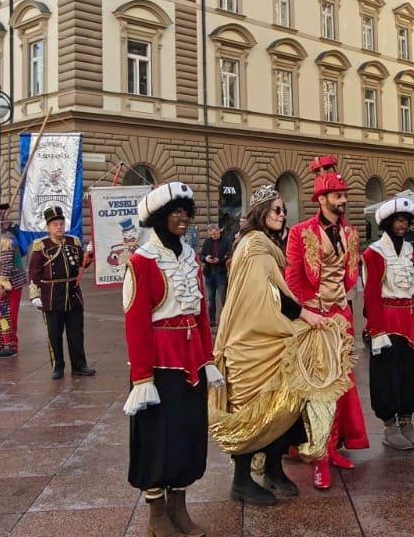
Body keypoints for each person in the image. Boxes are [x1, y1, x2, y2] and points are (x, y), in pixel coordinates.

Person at [211, 185, 348, 506]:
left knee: (281, 408)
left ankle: (273, 469)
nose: (282, 214)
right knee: (251, 410)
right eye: (275, 210)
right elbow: (264, 294)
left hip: (270, 339)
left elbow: (276, 291)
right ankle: (241, 481)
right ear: (260, 213)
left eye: (284, 210)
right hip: (251, 343)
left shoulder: (268, 243)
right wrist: (304, 315)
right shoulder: (255, 244)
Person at [122, 182, 218, 537]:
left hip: (191, 360)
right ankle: (156, 514)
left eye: (186, 212)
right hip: (159, 364)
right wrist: (142, 377)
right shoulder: (142, 262)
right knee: (156, 438)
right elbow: (135, 322)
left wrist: (208, 357)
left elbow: (201, 314)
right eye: (175, 212)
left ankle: (179, 506)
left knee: (186, 434)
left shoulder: (191, 258)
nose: (183, 218)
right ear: (160, 218)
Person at [283, 157, 369, 490]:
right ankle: (318, 457)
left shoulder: (351, 233)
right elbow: (293, 277)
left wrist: (342, 308)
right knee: (319, 388)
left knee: (342, 385)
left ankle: (332, 448)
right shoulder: (300, 233)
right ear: (321, 199)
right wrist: (308, 314)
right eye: (336, 196)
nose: (343, 200)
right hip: (314, 318)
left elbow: (351, 274)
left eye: (344, 195)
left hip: (341, 316)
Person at [363, 198, 414, 452]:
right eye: (398, 221)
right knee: (386, 376)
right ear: (388, 223)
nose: (402, 225)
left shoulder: (411, 251)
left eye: (405, 221)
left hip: (409, 320)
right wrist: (377, 330)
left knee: (408, 375)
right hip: (387, 320)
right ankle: (390, 426)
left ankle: (407, 422)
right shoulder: (373, 253)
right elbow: (371, 295)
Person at [29, 205, 94, 378]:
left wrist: (89, 254)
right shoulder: (40, 245)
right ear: (48, 227)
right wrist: (34, 294)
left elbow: (82, 264)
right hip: (51, 295)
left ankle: (79, 365)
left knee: (76, 333)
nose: (59, 227)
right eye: (55, 224)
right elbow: (34, 272)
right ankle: (57, 366)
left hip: (73, 294)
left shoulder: (74, 241)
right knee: (54, 335)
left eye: (61, 223)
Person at [0, 222, 29, 358]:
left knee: (7, 316)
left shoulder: (5, 240)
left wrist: (0, 286)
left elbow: (6, 266)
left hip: (10, 285)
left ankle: (10, 345)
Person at [197, 224, 232, 326]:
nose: (214, 236)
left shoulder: (226, 240)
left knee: (223, 297)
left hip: (221, 272)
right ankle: (212, 321)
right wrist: (205, 258)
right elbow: (202, 255)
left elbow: (230, 255)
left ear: (219, 231)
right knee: (210, 299)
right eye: (211, 234)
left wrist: (220, 260)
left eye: (215, 233)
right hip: (209, 273)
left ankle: (227, 321)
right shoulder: (207, 242)